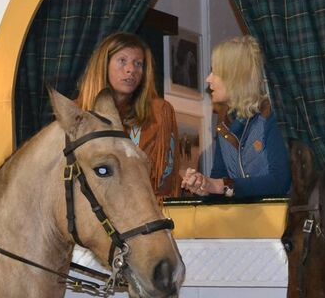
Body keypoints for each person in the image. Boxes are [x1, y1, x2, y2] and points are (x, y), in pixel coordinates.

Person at [181, 35, 290, 198]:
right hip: (244, 214)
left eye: (215, 72)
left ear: (235, 77)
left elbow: (280, 181)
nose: (208, 79)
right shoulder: (224, 123)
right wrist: (203, 186)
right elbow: (220, 180)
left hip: (280, 214)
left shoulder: (271, 117)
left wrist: (220, 186)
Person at [77, 32, 180, 197]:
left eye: (138, 64)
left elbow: (165, 180)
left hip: (145, 205)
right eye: (122, 61)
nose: (131, 69)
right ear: (104, 65)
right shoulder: (77, 114)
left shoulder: (159, 112)